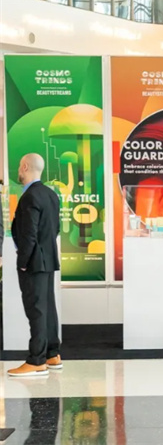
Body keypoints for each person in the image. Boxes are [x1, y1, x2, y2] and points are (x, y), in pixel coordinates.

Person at [7, 153, 62, 377]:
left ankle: (36, 360)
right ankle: (52, 354)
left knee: (36, 310)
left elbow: (28, 234)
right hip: (47, 259)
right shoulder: (51, 194)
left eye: (20, 166)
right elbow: (55, 229)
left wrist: (22, 262)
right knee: (47, 308)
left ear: (25, 166)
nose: (19, 170)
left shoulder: (29, 196)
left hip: (33, 262)